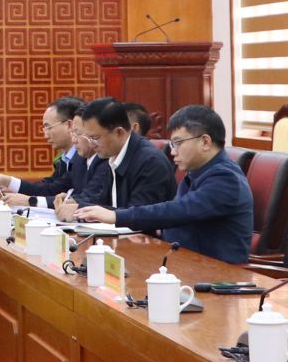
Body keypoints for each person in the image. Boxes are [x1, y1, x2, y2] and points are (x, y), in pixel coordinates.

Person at [75, 105, 254, 264]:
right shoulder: (196, 173)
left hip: (217, 275)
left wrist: (115, 216)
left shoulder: (226, 179)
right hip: (184, 263)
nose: (173, 152)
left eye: (178, 143)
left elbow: (177, 211)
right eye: (172, 144)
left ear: (205, 142)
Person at [64, 97, 175, 216]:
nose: (91, 145)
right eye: (89, 138)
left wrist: (80, 209)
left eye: (95, 138)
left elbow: (139, 216)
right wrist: (72, 204)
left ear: (119, 132)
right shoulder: (112, 155)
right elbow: (100, 200)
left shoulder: (150, 162)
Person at [0, 96, 84, 206]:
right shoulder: (65, 158)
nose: (45, 136)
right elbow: (50, 187)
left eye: (49, 127)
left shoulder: (85, 157)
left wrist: (28, 199)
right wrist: (9, 183)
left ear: (69, 125)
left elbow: (55, 191)